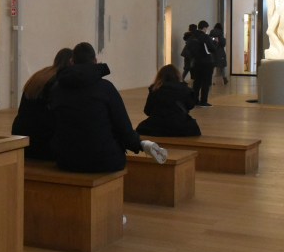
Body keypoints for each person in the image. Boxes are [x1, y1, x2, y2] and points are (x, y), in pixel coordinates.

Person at [49, 42, 166, 172]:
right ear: (95, 60)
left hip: (66, 160)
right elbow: (123, 127)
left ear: (72, 61)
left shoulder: (57, 89)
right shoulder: (106, 88)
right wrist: (138, 144)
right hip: (103, 160)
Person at [11, 47, 73, 160]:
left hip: (21, 136)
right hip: (41, 141)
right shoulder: (61, 79)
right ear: (71, 62)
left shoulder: (41, 74)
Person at [135, 64, 201, 137]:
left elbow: (147, 111)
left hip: (157, 126)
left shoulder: (155, 89)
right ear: (177, 76)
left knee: (140, 129)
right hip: (180, 126)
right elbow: (190, 105)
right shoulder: (185, 89)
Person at [185, 20, 215, 106]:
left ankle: (195, 100)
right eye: (207, 28)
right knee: (206, 82)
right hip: (206, 62)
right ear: (205, 28)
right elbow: (212, 48)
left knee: (197, 82)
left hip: (196, 62)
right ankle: (203, 101)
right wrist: (215, 43)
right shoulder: (205, 37)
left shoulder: (192, 36)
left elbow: (188, 48)